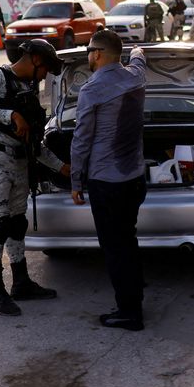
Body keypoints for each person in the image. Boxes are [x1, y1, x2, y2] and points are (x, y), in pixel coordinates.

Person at [0, 38, 70, 316]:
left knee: (17, 223)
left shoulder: (28, 88)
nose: (46, 76)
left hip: (19, 163)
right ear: (36, 60)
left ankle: (21, 282)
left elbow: (33, 142)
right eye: (46, 69)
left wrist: (60, 166)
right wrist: (10, 114)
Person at [70, 29, 148, 331]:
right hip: (135, 178)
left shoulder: (92, 90)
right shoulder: (136, 77)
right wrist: (138, 51)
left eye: (89, 50)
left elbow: (81, 140)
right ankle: (135, 294)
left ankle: (129, 312)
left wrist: (76, 181)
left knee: (115, 248)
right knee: (128, 238)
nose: (88, 56)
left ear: (98, 53)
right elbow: (140, 60)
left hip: (107, 181)